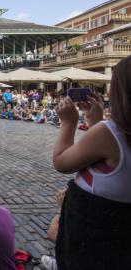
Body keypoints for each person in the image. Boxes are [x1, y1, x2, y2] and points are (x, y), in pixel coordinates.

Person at [53, 55, 131, 269]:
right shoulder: (109, 133)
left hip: (95, 239)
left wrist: (68, 123)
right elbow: (113, 163)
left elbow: (62, 162)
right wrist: (96, 121)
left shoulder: (110, 133)